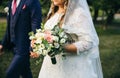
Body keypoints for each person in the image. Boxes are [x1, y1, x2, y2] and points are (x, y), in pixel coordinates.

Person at [30, 0, 103, 78]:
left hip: (71, 67)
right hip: (50, 67)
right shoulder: (53, 13)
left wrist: (62, 47)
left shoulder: (78, 14)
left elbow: (88, 42)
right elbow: (48, 37)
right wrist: (39, 46)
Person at [0, 0, 42, 77]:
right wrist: (3, 44)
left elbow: (36, 26)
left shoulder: (32, 1)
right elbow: (9, 27)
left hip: (24, 48)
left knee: (10, 74)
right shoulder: (11, 2)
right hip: (14, 47)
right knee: (25, 73)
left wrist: (35, 46)